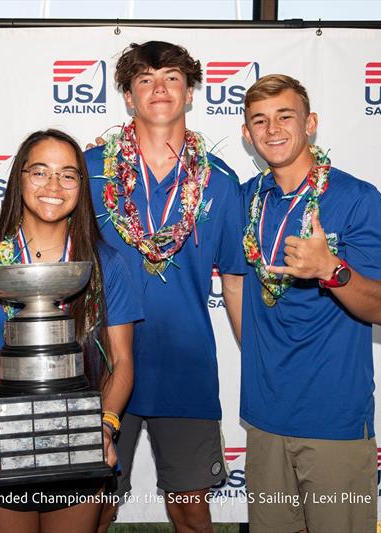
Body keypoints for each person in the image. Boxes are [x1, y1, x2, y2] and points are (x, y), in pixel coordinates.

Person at [0, 129, 142, 533]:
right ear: (18, 178)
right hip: (1, 445)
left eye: (68, 175)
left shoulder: (107, 265)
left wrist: (103, 428)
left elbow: (121, 362)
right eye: (40, 172)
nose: (54, 186)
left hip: (79, 442)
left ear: (81, 187)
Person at [85, 41, 244, 532]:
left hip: (185, 368)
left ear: (190, 92)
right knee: (95, 506)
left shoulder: (220, 179)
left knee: (191, 508)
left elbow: (235, 283)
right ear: (128, 97)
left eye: (172, 77)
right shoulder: (88, 170)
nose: (160, 89)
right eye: (146, 80)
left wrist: (257, 359)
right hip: (102, 365)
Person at [238, 74, 381, 533]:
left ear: (310, 123)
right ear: (247, 135)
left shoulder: (356, 199)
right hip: (264, 417)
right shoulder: (247, 198)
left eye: (284, 116)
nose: (272, 129)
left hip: (333, 420)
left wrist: (332, 270)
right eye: (260, 120)